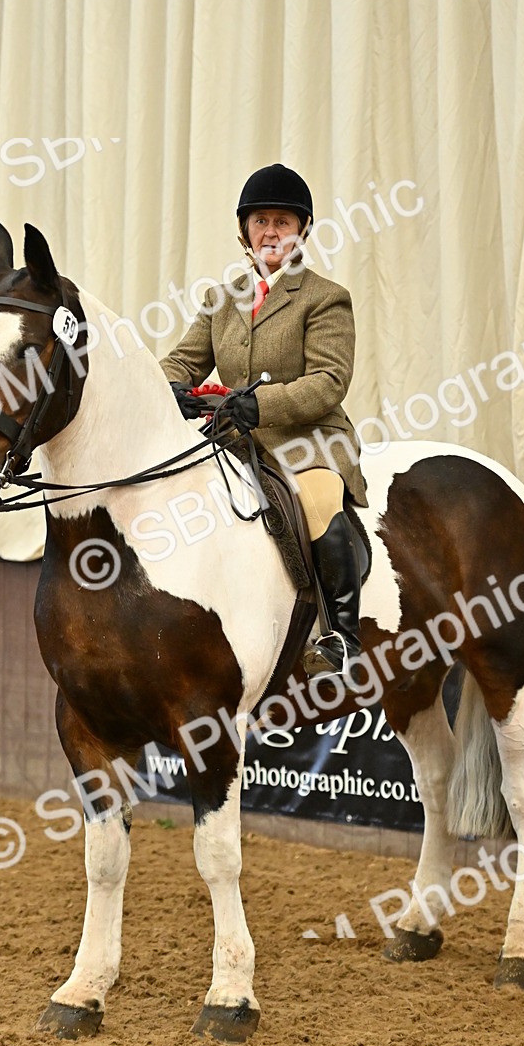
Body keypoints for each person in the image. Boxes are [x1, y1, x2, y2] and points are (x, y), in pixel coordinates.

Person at [160, 163, 368, 678]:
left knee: (319, 503)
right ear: (244, 232)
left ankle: (342, 635)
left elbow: (329, 381)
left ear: (303, 230)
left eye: (282, 222)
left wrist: (264, 405)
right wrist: (167, 389)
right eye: (261, 222)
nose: (271, 232)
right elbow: (183, 360)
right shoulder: (221, 299)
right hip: (232, 441)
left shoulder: (325, 297)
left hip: (309, 439)